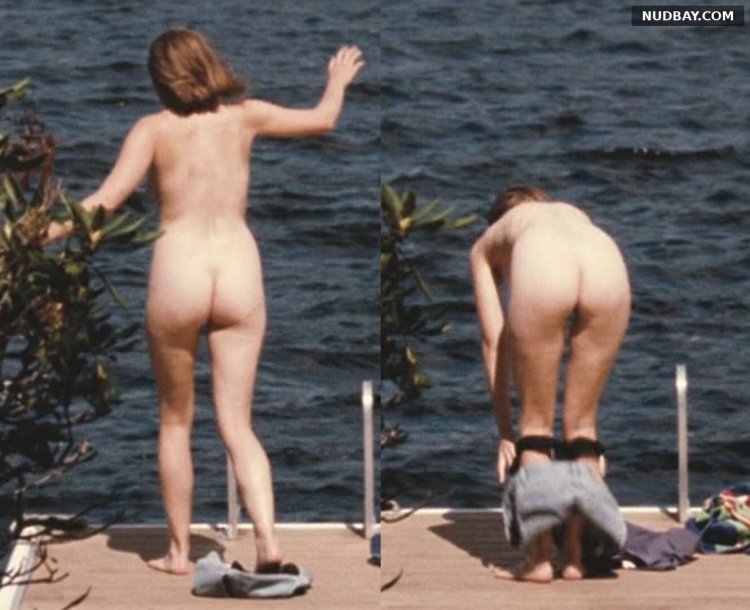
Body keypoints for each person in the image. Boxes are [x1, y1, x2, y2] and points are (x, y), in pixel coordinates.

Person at [46, 27, 364, 575]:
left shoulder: (152, 130)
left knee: (176, 421)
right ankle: (268, 543)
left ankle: (177, 553)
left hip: (180, 272)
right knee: (237, 423)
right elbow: (323, 119)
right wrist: (336, 82)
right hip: (238, 269)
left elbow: (103, 203)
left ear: (160, 79)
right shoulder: (245, 116)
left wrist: (37, 234)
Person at [470, 187, 631, 582]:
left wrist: (505, 433)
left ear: (497, 219)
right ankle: (576, 559)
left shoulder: (489, 241)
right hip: (606, 261)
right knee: (583, 433)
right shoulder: (571, 214)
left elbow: (494, 342)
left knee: (536, 432)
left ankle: (539, 559)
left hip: (544, 266)